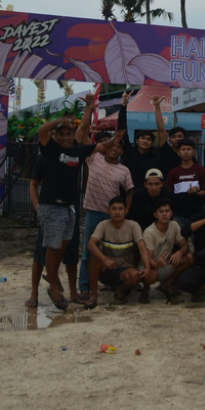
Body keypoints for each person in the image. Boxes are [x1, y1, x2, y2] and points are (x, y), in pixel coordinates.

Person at [37, 113, 119, 310]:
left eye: (69, 134)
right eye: (62, 134)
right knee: (52, 248)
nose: (66, 137)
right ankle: (54, 286)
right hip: (51, 206)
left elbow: (104, 146)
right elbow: (42, 131)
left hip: (69, 207)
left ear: (73, 136)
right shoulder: (51, 148)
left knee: (62, 247)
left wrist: (119, 135)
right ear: (56, 137)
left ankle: (54, 281)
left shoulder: (78, 151)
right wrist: (60, 121)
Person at [75, 99, 135, 300]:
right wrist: (88, 109)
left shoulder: (124, 170)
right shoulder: (94, 158)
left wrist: (126, 210)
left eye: (119, 147)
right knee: (88, 252)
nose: (114, 149)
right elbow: (81, 136)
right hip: (93, 213)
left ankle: (112, 283)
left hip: (113, 218)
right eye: (112, 145)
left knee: (113, 253)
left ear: (122, 152)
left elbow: (129, 191)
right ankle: (84, 287)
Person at [26, 155, 81, 308]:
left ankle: (73, 292)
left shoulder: (74, 156)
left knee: (71, 251)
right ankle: (34, 293)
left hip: (70, 210)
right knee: (41, 253)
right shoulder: (44, 158)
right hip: (50, 212)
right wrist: (38, 209)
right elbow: (33, 184)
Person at [85, 195, 151, 308]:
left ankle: (120, 289)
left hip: (125, 268)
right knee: (94, 257)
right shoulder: (103, 225)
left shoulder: (133, 225)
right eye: (114, 209)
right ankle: (94, 295)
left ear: (126, 211)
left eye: (120, 209)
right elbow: (91, 244)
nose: (117, 212)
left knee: (135, 276)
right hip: (106, 268)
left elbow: (141, 247)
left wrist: (147, 266)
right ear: (108, 211)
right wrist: (104, 260)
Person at [140, 197, 192, 302]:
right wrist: (156, 264)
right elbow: (148, 259)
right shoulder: (149, 232)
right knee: (151, 274)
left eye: (167, 211)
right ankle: (145, 290)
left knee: (189, 258)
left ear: (171, 213)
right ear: (155, 215)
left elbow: (185, 246)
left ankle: (167, 284)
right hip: (151, 266)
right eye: (161, 211)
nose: (164, 214)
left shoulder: (174, 225)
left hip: (166, 263)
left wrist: (179, 252)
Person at [117, 91, 168, 188]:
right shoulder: (129, 152)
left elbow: (161, 131)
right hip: (129, 191)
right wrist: (123, 106)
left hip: (151, 191)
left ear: (152, 142)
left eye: (149, 139)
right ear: (137, 140)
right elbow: (121, 129)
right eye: (143, 138)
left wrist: (157, 107)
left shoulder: (157, 155)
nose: (145, 141)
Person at [163, 138, 205, 224]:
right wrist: (171, 216)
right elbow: (168, 195)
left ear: (193, 152)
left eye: (188, 149)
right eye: (183, 149)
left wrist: (196, 193)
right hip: (178, 215)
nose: (186, 152)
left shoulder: (201, 170)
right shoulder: (173, 172)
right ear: (178, 152)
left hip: (197, 214)